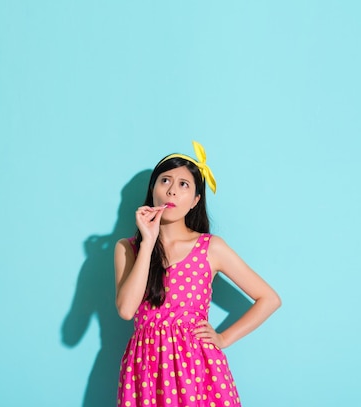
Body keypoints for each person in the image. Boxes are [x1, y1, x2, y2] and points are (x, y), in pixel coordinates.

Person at [114, 141, 281, 407]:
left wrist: (223, 338)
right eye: (165, 180)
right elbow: (126, 310)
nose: (172, 190)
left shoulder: (210, 248)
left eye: (183, 185)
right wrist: (148, 243)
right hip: (146, 371)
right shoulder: (129, 248)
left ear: (195, 200)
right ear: (153, 191)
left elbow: (269, 298)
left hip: (197, 369)